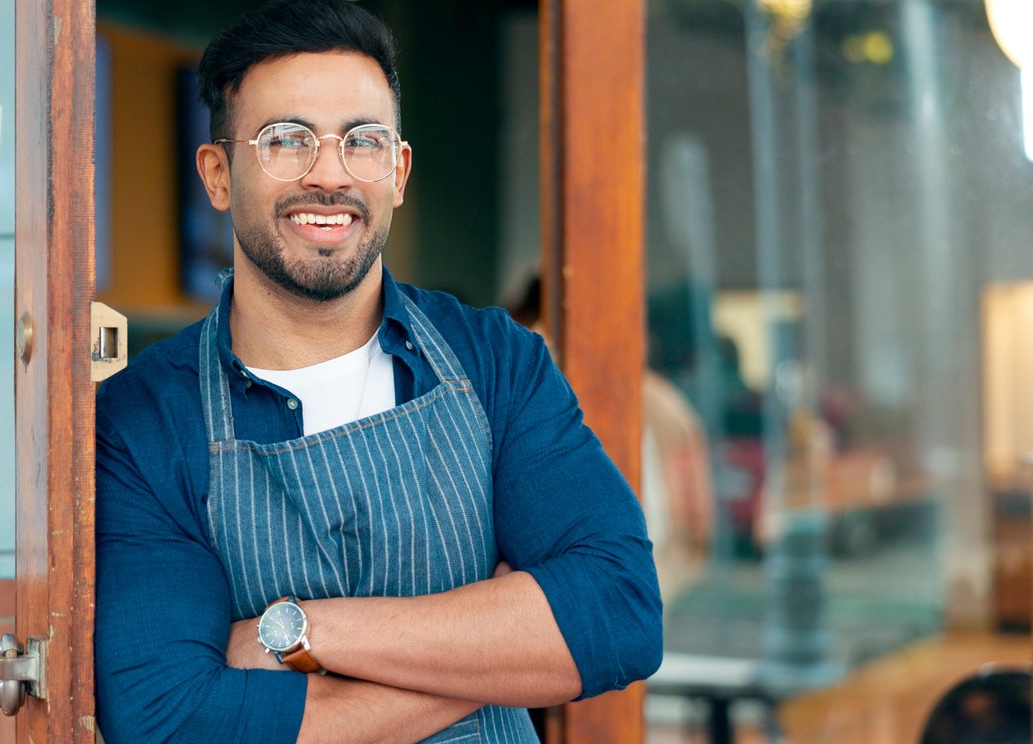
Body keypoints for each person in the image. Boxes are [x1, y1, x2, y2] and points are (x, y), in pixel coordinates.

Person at [93, 2, 662, 741]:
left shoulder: (494, 359)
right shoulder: (143, 420)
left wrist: (291, 632)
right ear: (218, 174)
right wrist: (501, 652)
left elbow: (619, 612)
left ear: (397, 172)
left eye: (362, 141)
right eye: (286, 139)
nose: (330, 175)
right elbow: (169, 719)